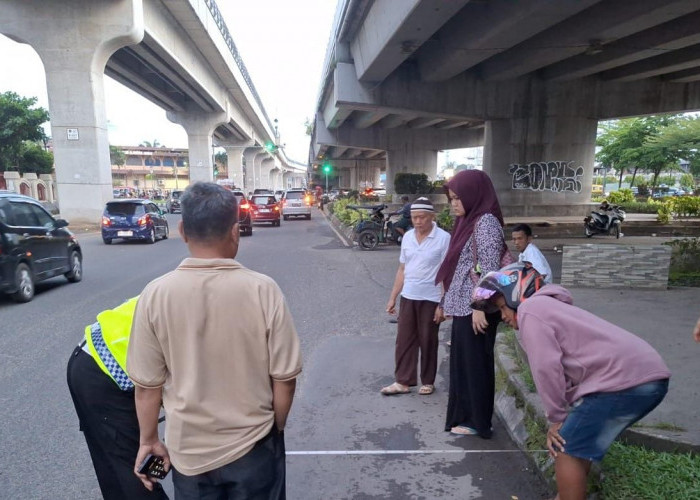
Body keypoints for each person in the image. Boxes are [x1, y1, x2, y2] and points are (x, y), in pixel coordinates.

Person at [127, 182, 302, 498]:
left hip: (189, 456)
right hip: (254, 447)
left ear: (182, 230)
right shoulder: (263, 290)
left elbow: (147, 387)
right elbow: (285, 380)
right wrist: (274, 430)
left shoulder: (156, 294)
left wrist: (149, 440)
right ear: (235, 230)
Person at [471, 264, 670, 500]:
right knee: (576, 442)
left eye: (503, 307)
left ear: (518, 294)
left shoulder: (531, 311)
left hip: (626, 381)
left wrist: (556, 418)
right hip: (644, 376)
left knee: (564, 448)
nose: (502, 316)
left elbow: (546, 367)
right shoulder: (550, 306)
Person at [67, 297, 168, 500]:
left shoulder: (179, 288)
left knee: (114, 470)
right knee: (132, 470)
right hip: (101, 370)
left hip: (92, 359)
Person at [435, 169, 510, 439]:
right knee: (463, 364)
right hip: (465, 307)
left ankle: (478, 421)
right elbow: (459, 267)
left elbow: (490, 270)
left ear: (473, 194)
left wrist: (479, 308)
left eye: (458, 197)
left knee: (475, 365)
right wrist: (445, 302)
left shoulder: (486, 222)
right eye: (451, 198)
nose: (454, 203)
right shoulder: (468, 221)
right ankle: (466, 416)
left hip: (477, 309)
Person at [381, 197, 451, 396]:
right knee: (404, 339)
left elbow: (447, 273)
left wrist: (443, 304)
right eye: (414, 217)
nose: (418, 221)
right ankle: (403, 381)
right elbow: (402, 269)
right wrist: (393, 297)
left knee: (428, 339)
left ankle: (427, 381)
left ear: (432, 217)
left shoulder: (443, 238)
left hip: (431, 297)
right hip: (409, 295)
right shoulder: (409, 237)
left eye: (422, 217)